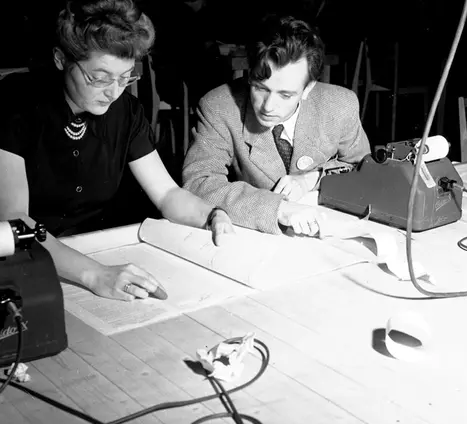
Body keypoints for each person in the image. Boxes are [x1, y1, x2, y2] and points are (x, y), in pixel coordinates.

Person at [0, 0, 234, 302]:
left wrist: (212, 215)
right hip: (29, 257)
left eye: (125, 77)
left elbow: (166, 193)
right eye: (99, 78)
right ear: (61, 59)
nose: (113, 92)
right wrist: (94, 274)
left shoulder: (126, 111)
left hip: (98, 249)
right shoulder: (16, 104)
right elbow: (15, 220)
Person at [182, 15, 371, 236]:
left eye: (285, 95)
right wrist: (278, 209)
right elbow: (198, 182)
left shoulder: (340, 105)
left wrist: (311, 179)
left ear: (308, 88)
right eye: (260, 88)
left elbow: (363, 169)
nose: (268, 106)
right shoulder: (219, 107)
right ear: (250, 74)